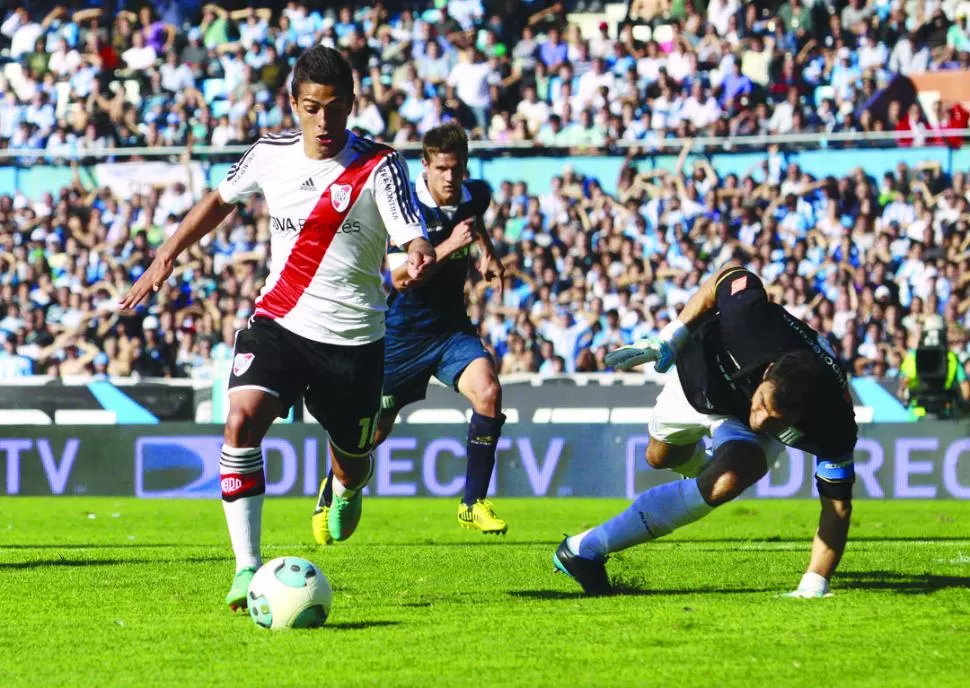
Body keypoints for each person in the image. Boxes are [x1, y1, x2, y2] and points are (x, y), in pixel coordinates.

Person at [119, 46, 436, 611]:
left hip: (353, 339)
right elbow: (220, 200)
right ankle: (246, 568)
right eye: (311, 107)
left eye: (334, 108)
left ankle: (343, 487)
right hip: (280, 321)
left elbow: (407, 230)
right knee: (240, 422)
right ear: (293, 103)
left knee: (352, 458)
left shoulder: (379, 164)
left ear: (352, 105)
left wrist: (417, 253)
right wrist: (167, 253)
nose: (322, 121)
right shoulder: (269, 154)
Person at [553, 263, 858, 598]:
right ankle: (703, 465)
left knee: (727, 480)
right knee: (658, 457)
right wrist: (670, 338)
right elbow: (724, 276)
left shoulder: (833, 424)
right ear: (768, 372)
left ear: (802, 414)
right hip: (700, 377)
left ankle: (584, 550)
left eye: (775, 421)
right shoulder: (750, 321)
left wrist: (814, 584)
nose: (762, 421)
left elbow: (837, 508)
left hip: (737, 421)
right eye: (762, 406)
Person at [311, 122, 508, 541]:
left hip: (451, 329)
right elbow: (398, 278)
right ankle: (333, 489)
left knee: (488, 391)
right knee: (372, 432)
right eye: (442, 169)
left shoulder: (475, 194)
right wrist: (452, 246)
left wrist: (487, 256)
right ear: (425, 165)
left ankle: (472, 504)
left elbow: (473, 222)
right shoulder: (407, 206)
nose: (451, 178)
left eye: (457, 169)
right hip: (400, 335)